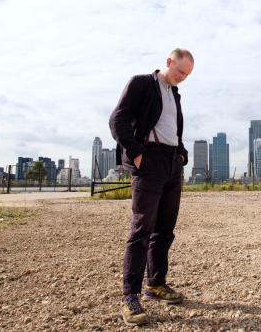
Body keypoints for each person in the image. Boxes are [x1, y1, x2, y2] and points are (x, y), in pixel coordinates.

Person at [109, 48, 194, 325]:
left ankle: (155, 284)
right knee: (141, 229)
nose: (183, 78)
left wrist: (181, 153)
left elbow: (174, 129)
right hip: (149, 160)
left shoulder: (174, 95)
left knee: (165, 229)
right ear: (169, 62)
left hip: (171, 164)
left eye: (187, 74)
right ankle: (130, 296)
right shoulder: (142, 83)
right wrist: (136, 152)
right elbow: (117, 119)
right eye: (181, 71)